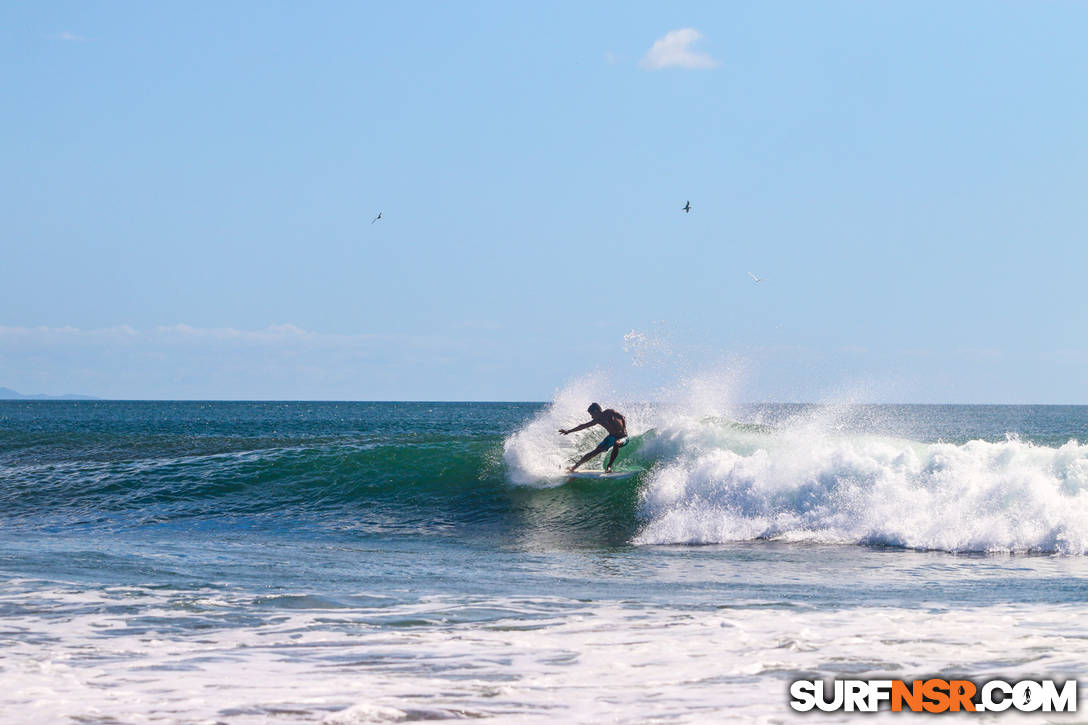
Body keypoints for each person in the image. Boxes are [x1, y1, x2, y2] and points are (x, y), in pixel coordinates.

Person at [559, 402, 629, 472]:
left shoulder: (609, 412)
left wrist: (624, 428)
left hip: (623, 437)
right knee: (595, 451)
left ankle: (609, 467)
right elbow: (583, 426)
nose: (591, 417)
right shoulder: (597, 420)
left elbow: (622, 417)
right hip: (612, 437)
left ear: (596, 411)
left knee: (616, 443)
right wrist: (568, 431)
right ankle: (574, 467)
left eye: (591, 414)